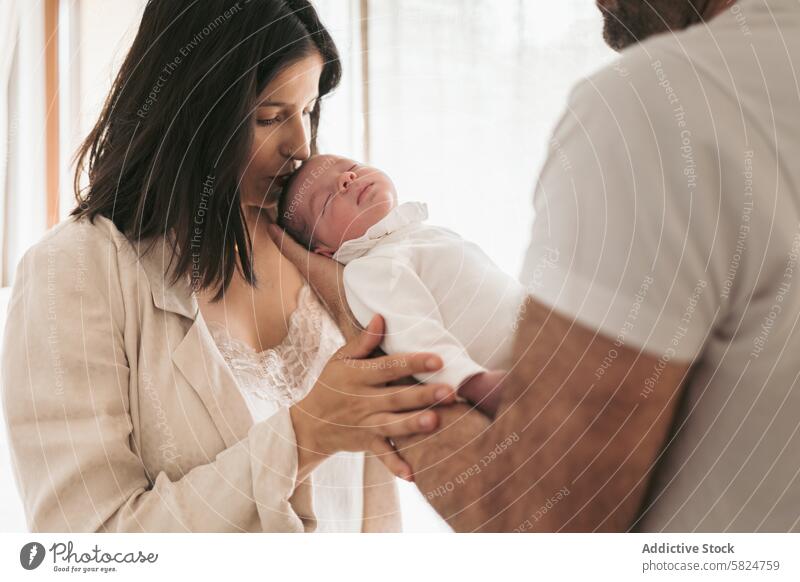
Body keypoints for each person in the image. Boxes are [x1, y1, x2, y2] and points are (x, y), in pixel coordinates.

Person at [273, 0, 800, 532]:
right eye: (270, 117)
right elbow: (419, 332)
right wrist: (460, 375)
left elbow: (534, 516)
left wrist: (374, 364)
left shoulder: (656, 104)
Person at [0, 0, 458, 533]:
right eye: (269, 117)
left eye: (308, 110)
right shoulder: (75, 272)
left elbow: (375, 507)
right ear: (189, 112)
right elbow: (84, 549)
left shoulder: (323, 255)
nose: (301, 146)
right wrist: (302, 438)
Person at [277, 154, 525, 416]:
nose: (346, 179)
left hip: (543, 332)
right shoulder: (368, 270)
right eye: (326, 201)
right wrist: (472, 382)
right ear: (325, 252)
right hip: (506, 368)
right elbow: (412, 333)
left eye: (353, 168)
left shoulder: (420, 234)